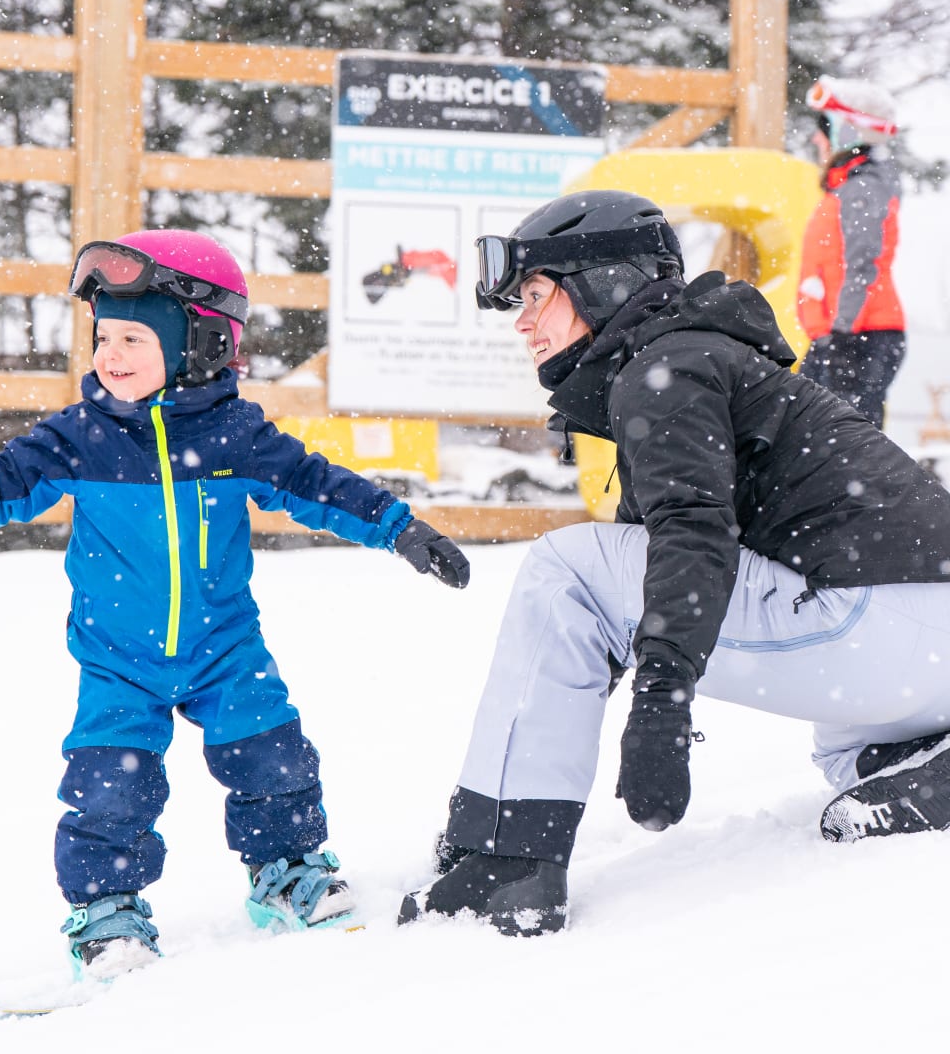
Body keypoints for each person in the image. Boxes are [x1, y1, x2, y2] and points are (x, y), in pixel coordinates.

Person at [0, 228, 469, 975]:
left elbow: (318, 485)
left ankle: (289, 873)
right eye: (104, 336)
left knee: (275, 761)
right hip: (119, 661)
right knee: (110, 788)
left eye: (134, 338)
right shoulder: (80, 439)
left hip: (225, 652)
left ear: (202, 344)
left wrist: (400, 530)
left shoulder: (237, 436)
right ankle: (107, 914)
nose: (110, 355)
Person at [398, 189, 950, 938]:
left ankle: (505, 859)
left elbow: (693, 534)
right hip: (917, 641)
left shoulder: (667, 369)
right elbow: (665, 544)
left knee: (567, 567)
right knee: (851, 749)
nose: (522, 321)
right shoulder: (696, 356)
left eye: (536, 294)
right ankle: (926, 758)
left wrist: (661, 700)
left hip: (881, 620)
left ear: (605, 282)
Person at [797, 75, 904, 429]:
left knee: (845, 448)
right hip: (841, 335)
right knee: (810, 437)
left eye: (824, 127)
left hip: (859, 336)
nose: (816, 138)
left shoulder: (862, 190)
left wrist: (843, 338)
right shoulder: (846, 190)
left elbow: (863, 265)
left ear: (848, 132)